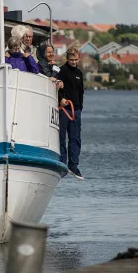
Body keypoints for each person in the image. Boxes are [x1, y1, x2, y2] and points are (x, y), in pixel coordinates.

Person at [57, 48, 84, 179]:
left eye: (76, 60)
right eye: (71, 60)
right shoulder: (61, 71)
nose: (74, 62)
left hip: (76, 110)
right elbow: (57, 87)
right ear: (67, 59)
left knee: (75, 138)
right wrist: (60, 99)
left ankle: (73, 165)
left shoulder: (79, 73)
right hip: (65, 109)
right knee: (61, 136)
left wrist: (80, 107)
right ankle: (62, 163)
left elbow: (81, 91)